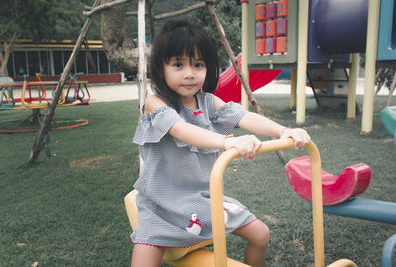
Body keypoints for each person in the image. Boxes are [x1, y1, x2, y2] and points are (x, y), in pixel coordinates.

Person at [130, 19, 310, 267]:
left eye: (198, 64)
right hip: (163, 204)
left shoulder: (209, 102)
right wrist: (226, 143)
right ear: (161, 69)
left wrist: (284, 130)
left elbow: (245, 117)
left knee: (261, 234)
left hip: (205, 198)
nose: (190, 73)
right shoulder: (156, 103)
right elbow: (181, 130)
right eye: (178, 65)